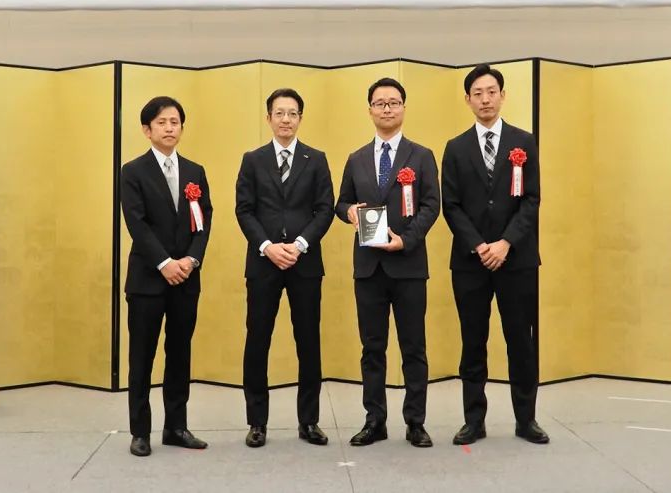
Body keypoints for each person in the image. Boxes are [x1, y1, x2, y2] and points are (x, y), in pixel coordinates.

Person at [441, 64, 548, 446]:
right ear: (467, 99)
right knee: (473, 342)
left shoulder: (524, 141)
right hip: (470, 262)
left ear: (503, 96)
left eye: (491, 92)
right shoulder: (455, 148)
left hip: (516, 260)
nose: (485, 99)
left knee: (521, 341)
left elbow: (531, 200)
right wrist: (479, 245)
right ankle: (474, 420)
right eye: (477, 93)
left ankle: (526, 419)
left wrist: (505, 243)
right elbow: (451, 205)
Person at [334, 77, 440, 448]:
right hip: (369, 269)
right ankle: (374, 420)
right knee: (372, 348)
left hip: (408, 266)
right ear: (370, 110)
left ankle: (415, 422)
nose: (387, 109)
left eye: (394, 102)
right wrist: (349, 211)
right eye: (380, 103)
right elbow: (340, 202)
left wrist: (406, 240)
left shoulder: (421, 156)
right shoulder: (356, 158)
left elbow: (431, 205)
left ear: (403, 108)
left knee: (413, 348)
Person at [235, 88, 335, 448]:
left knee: (308, 341)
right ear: (268, 118)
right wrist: (267, 246)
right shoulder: (253, 160)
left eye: (292, 113)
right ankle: (257, 422)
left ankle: (309, 421)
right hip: (263, 263)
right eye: (279, 113)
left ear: (300, 119)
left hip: (304, 263)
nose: (286, 120)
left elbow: (325, 209)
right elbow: (244, 209)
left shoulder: (316, 159)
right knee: (257, 340)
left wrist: (300, 244)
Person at [121, 96, 213, 456]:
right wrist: (164, 263)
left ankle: (176, 426)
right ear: (147, 130)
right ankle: (140, 431)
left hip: (186, 279)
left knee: (179, 354)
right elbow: (136, 223)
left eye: (175, 122)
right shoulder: (133, 171)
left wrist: (191, 259)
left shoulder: (195, 171)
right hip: (147, 280)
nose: (169, 128)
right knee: (141, 357)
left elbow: (204, 219)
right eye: (161, 122)